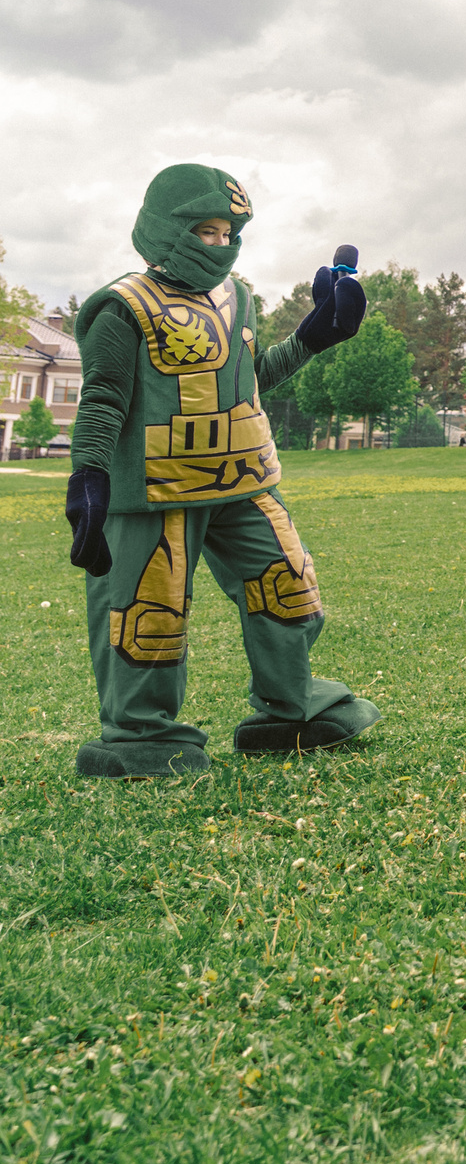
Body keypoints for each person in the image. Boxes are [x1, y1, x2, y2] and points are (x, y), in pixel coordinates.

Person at [60, 164, 379, 777]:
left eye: (230, 232)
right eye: (205, 230)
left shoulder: (239, 298)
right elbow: (102, 399)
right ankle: (138, 733)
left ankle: (290, 707)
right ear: (165, 227)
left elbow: (246, 381)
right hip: (155, 489)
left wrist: (315, 337)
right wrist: (90, 478)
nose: (220, 245)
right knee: (147, 612)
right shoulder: (122, 308)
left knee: (288, 585)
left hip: (243, 479)